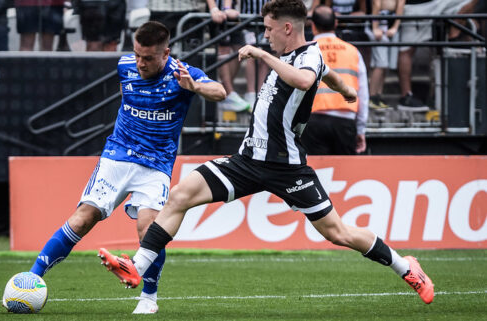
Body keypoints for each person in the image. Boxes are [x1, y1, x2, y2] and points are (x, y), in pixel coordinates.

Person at [101, 0, 435, 306]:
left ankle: (407, 267)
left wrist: (262, 55)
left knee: (339, 232)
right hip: (247, 161)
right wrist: (345, 88)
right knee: (181, 194)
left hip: (286, 167)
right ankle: (137, 266)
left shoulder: (308, 56)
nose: (265, 35)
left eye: (268, 29)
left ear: (287, 28)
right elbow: (326, 76)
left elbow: (306, 80)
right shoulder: (299, 59)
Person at [27, 21, 226, 314]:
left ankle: (149, 298)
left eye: (148, 58)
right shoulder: (125, 66)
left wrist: (194, 87)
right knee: (83, 218)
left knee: (149, 230)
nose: (140, 63)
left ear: (166, 53)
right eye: (137, 55)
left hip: (156, 164)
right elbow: (128, 98)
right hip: (117, 156)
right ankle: (31, 279)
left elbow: (220, 91)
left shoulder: (184, 74)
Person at [301, 5, 369, 155]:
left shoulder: (305, 51)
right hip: (345, 120)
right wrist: (361, 129)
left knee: (317, 174)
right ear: (336, 23)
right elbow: (363, 93)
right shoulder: (353, 51)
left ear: (313, 26)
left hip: (313, 121)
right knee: (346, 174)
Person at [397, 0, 474, 111]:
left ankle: (455, 32)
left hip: (436, 5)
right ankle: (406, 96)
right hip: (415, 7)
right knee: (406, 50)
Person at [208, 0, 252, 112]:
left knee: (240, 48)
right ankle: (229, 93)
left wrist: (228, 8)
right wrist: (214, 9)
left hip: (230, 12)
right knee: (224, 49)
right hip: (217, 12)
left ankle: (226, 93)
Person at [365, 0, 404, 110]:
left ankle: (378, 96)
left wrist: (395, 27)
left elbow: (401, 5)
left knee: (384, 65)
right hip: (377, 21)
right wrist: (375, 27)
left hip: (391, 22)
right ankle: (372, 97)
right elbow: (376, 4)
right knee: (380, 64)